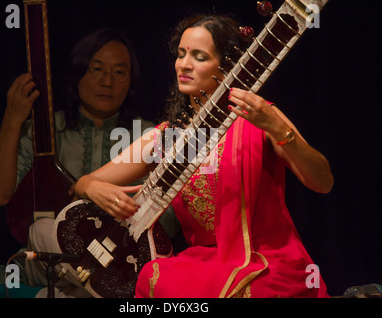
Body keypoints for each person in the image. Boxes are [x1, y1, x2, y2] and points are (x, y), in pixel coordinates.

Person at [73, 14, 334, 298]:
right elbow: (84, 183)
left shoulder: (259, 118)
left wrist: (278, 127)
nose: (184, 64)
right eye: (182, 54)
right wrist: (91, 187)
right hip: (203, 264)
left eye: (199, 56)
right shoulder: (168, 138)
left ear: (226, 68)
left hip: (268, 261)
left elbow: (322, 182)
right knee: (155, 277)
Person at [0, 28, 180, 298]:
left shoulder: (149, 135)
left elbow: (169, 222)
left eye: (119, 72)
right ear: (78, 72)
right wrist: (12, 120)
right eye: (96, 69)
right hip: (54, 258)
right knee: (40, 233)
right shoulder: (46, 132)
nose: (107, 81)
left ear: (130, 81)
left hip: (121, 261)